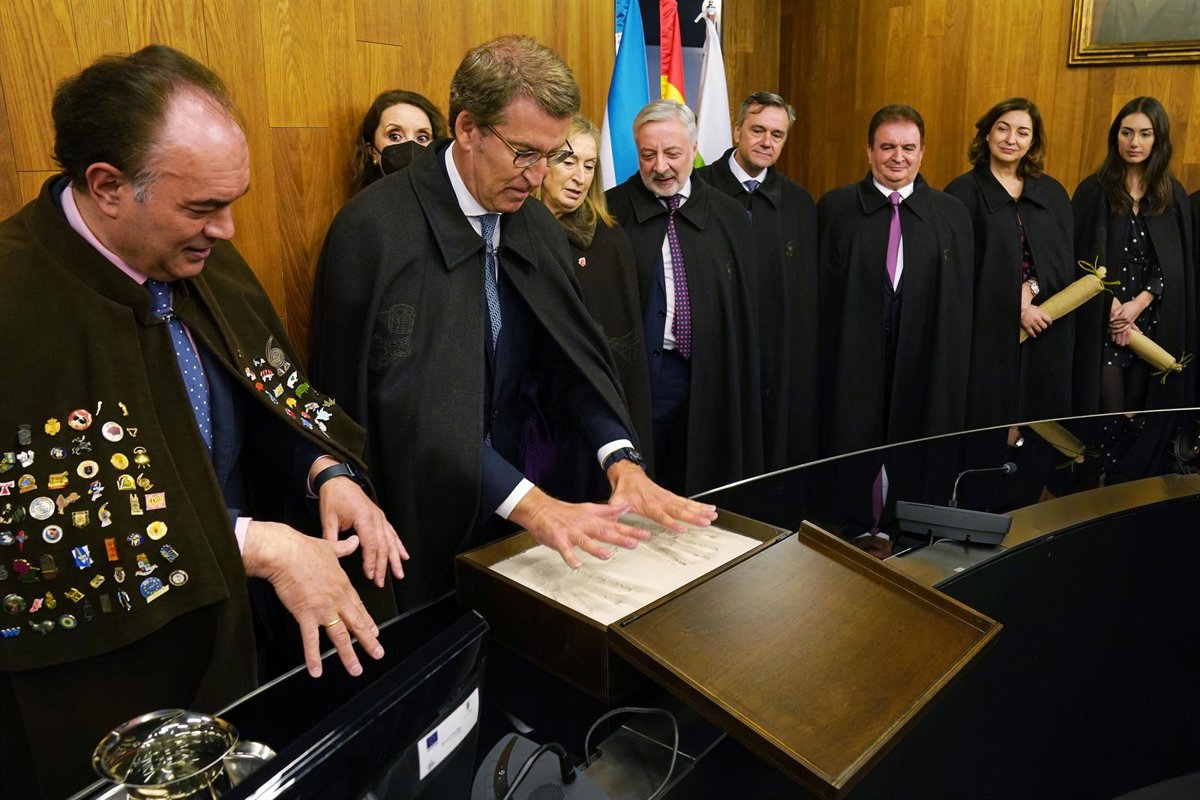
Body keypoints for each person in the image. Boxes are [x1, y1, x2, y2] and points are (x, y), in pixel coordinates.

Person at [0, 45, 406, 798]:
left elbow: (264, 397)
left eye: (233, 200)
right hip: (130, 679)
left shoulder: (199, 253)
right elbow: (32, 540)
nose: (226, 229)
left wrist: (326, 471)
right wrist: (256, 543)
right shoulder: (13, 296)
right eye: (201, 207)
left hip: (251, 645)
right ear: (107, 186)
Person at [310, 36, 716, 609]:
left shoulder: (535, 224)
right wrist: (534, 505)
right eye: (524, 152)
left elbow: (568, 360)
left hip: (514, 513)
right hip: (417, 522)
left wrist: (620, 459)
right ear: (468, 128)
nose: (538, 175)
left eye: (551, 154)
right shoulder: (374, 230)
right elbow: (408, 407)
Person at [606, 100, 763, 495]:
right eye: (648, 155)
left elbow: (742, 309)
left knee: (702, 479)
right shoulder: (610, 211)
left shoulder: (727, 214)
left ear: (693, 150)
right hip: (641, 381)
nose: (660, 166)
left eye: (672, 154)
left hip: (709, 376)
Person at [816, 104, 974, 456]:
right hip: (851, 367)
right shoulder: (835, 209)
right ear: (869, 151)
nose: (898, 157)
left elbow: (961, 304)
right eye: (887, 147)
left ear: (922, 153)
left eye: (908, 148)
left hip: (923, 364)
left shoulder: (951, 215)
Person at [532, 114, 654, 500]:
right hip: (527, 412)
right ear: (541, 162)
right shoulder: (511, 229)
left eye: (589, 166)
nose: (579, 177)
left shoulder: (609, 239)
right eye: (568, 161)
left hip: (589, 418)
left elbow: (625, 348)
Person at [695, 91, 820, 468]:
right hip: (709, 356)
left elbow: (804, 296)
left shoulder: (799, 202)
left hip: (773, 364)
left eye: (777, 135)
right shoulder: (697, 189)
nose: (767, 142)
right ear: (737, 131)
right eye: (758, 130)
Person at [945, 98, 1077, 428]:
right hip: (984, 332)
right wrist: (1013, 306)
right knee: (987, 422)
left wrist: (1030, 291)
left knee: (1039, 424)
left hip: (1044, 325)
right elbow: (956, 274)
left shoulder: (1052, 194)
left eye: (1022, 132)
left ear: (1033, 142)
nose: (1010, 139)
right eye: (1002, 129)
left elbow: (1063, 263)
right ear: (987, 134)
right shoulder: (960, 194)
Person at [1073, 96, 1195, 414]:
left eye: (1144, 134)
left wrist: (1137, 306)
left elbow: (1174, 266)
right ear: (1116, 136)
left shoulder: (1172, 194)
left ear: (1158, 139)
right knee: (1108, 410)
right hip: (1104, 316)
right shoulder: (1093, 190)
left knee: (1139, 410)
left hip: (1151, 315)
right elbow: (1079, 258)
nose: (1134, 142)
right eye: (1126, 132)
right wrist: (1113, 310)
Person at [350, 89, 448, 193]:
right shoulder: (364, 203)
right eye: (395, 137)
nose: (411, 146)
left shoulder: (450, 201)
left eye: (422, 138)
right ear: (372, 152)